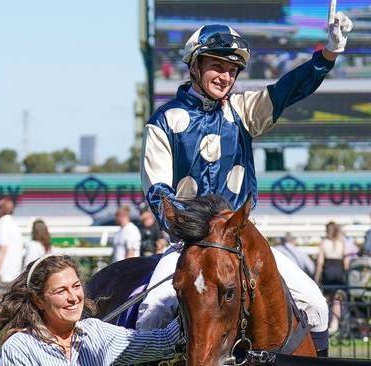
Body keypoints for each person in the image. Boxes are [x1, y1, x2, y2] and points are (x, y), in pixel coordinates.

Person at [139, 2, 353, 355]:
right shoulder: (164, 121)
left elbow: (288, 90)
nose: (224, 77)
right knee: (152, 312)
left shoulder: (242, 111)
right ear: (194, 66)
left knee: (316, 305)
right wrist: (198, 231)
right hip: (189, 248)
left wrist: (327, 54)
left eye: (231, 70)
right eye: (216, 67)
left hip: (244, 243)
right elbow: (159, 193)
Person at [0, 254, 182, 365]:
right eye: (60, 291)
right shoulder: (19, 348)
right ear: (37, 300)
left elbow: (165, 341)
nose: (73, 298)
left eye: (75, 286)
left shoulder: (97, 333)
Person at [0, 198, 24, 288]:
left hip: (4, 275)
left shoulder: (3, 224)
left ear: (1, 209)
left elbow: (3, 248)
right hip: (15, 273)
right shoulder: (14, 225)